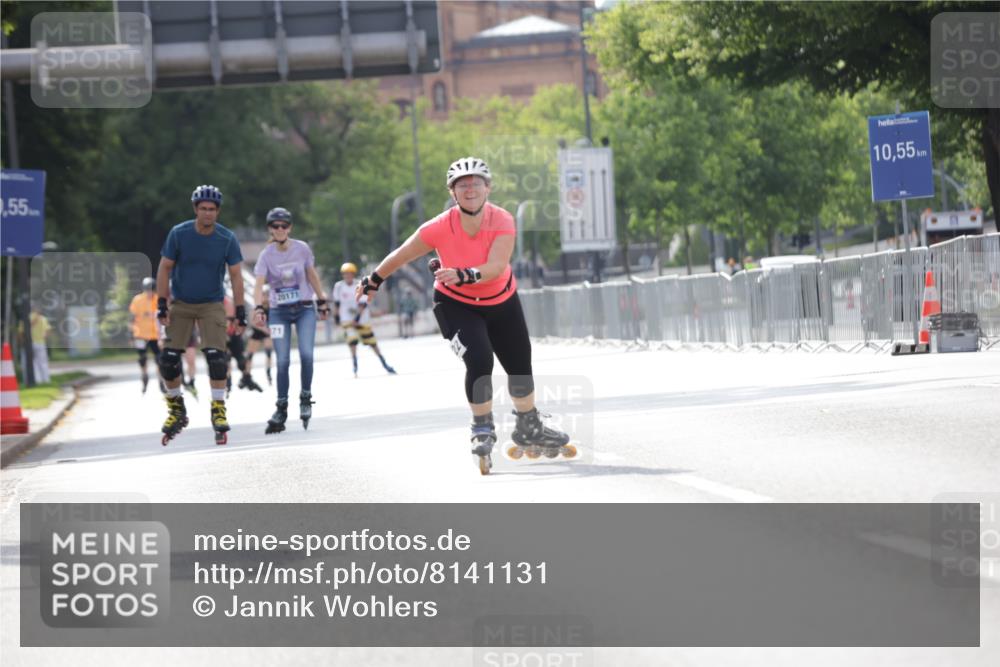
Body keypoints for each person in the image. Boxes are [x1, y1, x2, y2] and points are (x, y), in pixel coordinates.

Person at [355, 156, 572, 474]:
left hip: (502, 301)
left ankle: (529, 426)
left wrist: (465, 273)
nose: (470, 189)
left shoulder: (502, 220)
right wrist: (373, 280)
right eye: (462, 185)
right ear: (453, 192)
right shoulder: (438, 227)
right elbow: (401, 254)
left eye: (476, 183)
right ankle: (482, 427)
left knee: (519, 365)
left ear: (488, 188)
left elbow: (497, 266)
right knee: (480, 359)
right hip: (456, 305)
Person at [156, 184, 246, 445]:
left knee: (217, 358)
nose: (208, 214)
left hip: (211, 303)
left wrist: (240, 310)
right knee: (168, 360)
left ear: (217, 212)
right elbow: (164, 268)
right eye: (203, 209)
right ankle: (176, 409)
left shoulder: (226, 238)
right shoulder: (179, 234)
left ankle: (218, 410)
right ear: (195, 209)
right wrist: (162, 304)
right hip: (182, 302)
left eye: (212, 210)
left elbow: (237, 275)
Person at [252, 207, 329, 433]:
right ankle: (281, 406)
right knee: (282, 360)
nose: (280, 229)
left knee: (306, 354)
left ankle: (305, 396)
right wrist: (258, 307)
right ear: (270, 230)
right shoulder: (266, 255)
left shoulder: (302, 248)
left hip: (304, 308)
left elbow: (312, 275)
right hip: (278, 312)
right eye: (275, 226)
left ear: (290, 228)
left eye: (284, 226)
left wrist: (322, 300)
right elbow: (258, 284)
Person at [333, 262, 397, 378]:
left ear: (353, 274)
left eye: (349, 274)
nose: (347, 276)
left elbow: (363, 304)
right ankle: (355, 366)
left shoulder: (359, 284)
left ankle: (385, 364)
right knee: (352, 342)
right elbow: (337, 304)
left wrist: (357, 319)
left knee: (372, 343)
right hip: (347, 319)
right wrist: (336, 318)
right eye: (345, 274)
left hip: (361, 319)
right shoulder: (339, 287)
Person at [129, 277, 161, 393]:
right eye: (147, 290)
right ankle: (144, 375)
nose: (149, 292)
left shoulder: (158, 300)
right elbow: (132, 318)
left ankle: (160, 379)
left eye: (152, 290)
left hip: (155, 335)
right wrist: (131, 335)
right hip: (141, 334)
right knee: (142, 358)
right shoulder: (137, 300)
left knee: (158, 358)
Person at [245, 284, 273, 386]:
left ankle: (268, 372)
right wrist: (264, 328)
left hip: (267, 332)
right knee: (250, 354)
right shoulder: (257, 307)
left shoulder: (272, 307)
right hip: (258, 331)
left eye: (267, 295)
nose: (265, 297)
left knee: (268, 352)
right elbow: (253, 322)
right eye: (264, 295)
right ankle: (247, 374)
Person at [27, 305, 52, 383]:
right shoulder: (43, 318)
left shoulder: (27, 317)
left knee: (34, 362)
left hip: (30, 343)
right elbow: (48, 330)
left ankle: (37, 380)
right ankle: (46, 380)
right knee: (43, 362)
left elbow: (22, 331)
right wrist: (44, 337)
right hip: (41, 342)